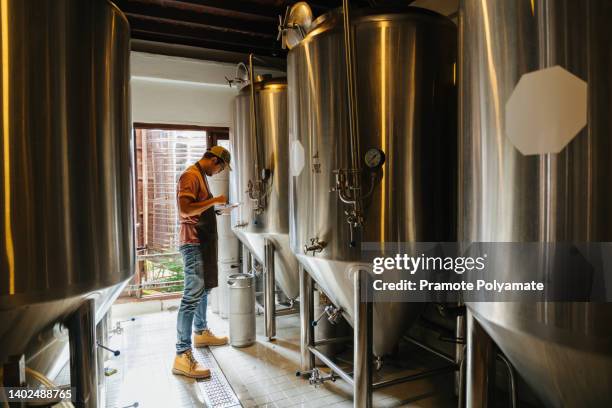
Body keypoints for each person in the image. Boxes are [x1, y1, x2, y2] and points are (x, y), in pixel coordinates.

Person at [171, 146, 232, 379]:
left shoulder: (201, 177)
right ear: (214, 160)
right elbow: (185, 210)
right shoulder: (190, 175)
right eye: (221, 168)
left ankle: (201, 331)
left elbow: (198, 209)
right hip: (193, 243)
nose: (218, 173)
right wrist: (216, 199)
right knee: (191, 296)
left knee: (203, 289)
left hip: (201, 242)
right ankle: (182, 354)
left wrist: (215, 210)